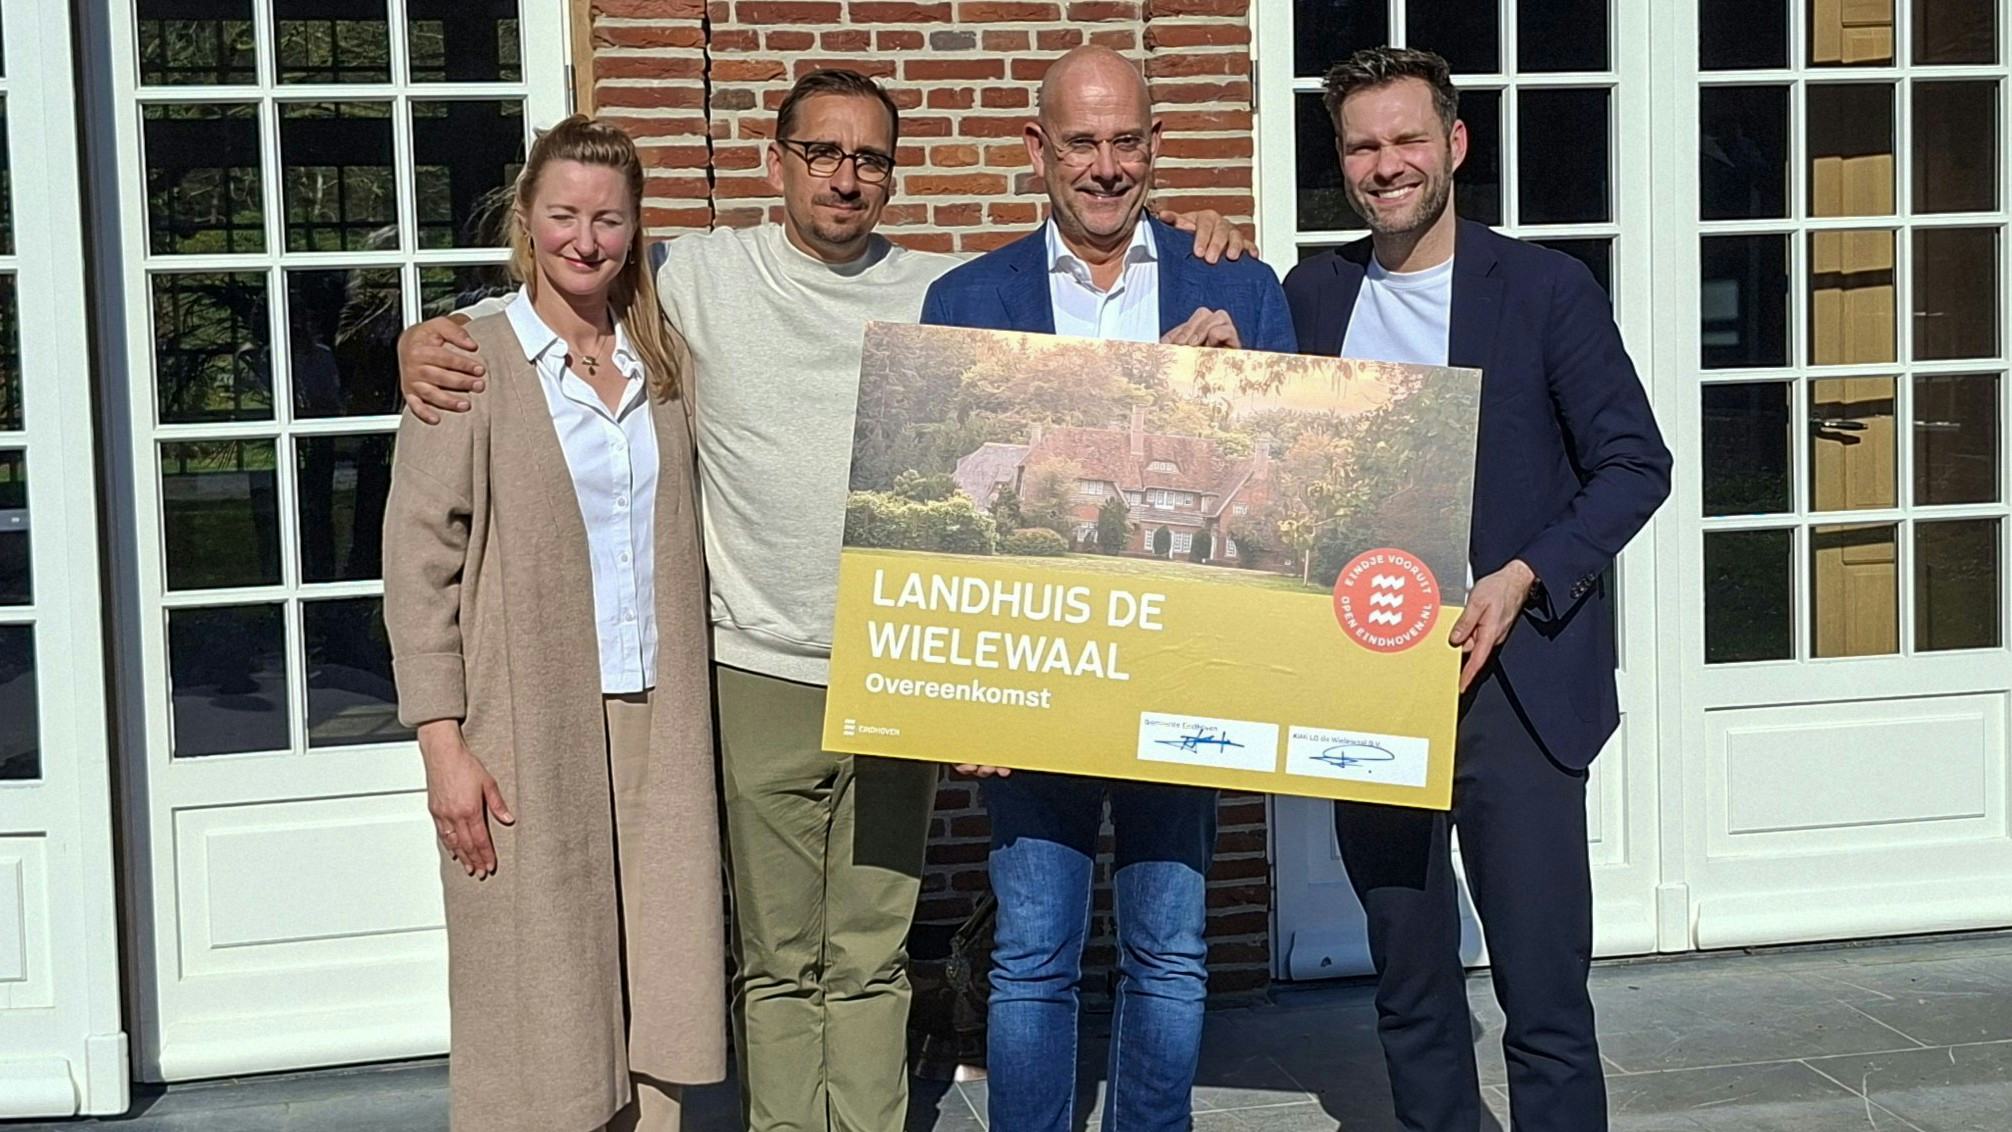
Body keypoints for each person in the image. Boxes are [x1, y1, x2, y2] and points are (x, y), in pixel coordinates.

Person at [393, 69, 1252, 1132]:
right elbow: (572, 271)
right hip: (754, 666)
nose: (845, 179)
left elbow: (1081, 330)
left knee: (871, 951)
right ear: (777, 163)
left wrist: (1198, 236)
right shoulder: (693, 274)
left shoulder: (946, 291)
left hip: (886, 668)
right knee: (775, 959)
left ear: (892, 175)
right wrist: (440, 333)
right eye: (822, 154)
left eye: (869, 159)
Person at [1280, 47, 1671, 1132]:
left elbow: (1634, 464)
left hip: (1517, 688)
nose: (1384, 163)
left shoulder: (1543, 290)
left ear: (1453, 145)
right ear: (1341, 164)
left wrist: (1522, 573)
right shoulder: (1310, 296)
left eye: (1406, 138)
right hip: (1371, 687)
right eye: (1361, 145)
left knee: (1543, 997)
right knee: (1407, 988)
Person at [918, 46, 1296, 1132]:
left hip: (1182, 673)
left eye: (1125, 139)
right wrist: (955, 693)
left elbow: (1272, 486)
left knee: (1169, 950)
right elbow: (953, 518)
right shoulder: (964, 296)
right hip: (1033, 675)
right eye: (1079, 141)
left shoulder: (1234, 287)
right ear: (1034, 148)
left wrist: (1237, 392)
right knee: (1033, 953)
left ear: (1155, 145)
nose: (1103, 165)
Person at [382, 115, 724, 1132]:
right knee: (539, 980)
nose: (586, 239)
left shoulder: (664, 360)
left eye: (609, 219)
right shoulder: (470, 363)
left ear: (634, 229)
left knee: (655, 966)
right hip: (524, 718)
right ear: (526, 221)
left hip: (658, 714)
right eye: (564, 214)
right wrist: (441, 744)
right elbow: (416, 564)